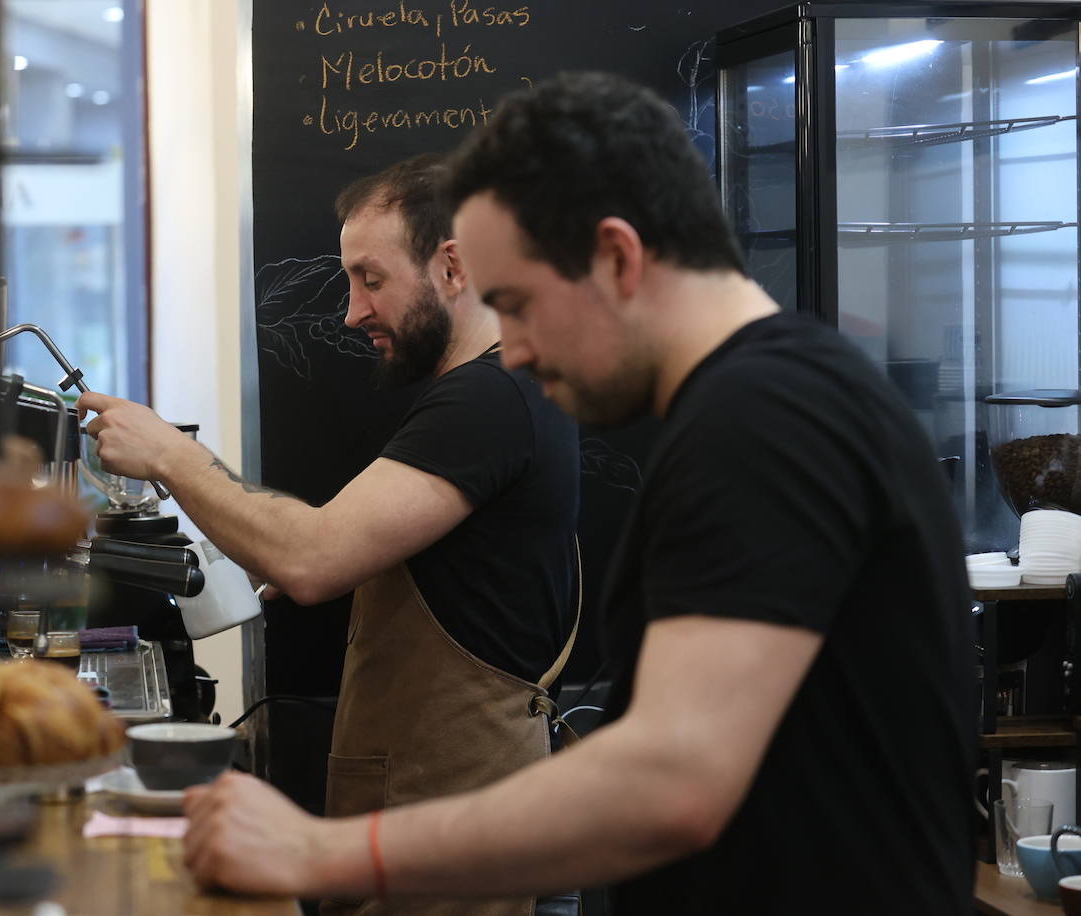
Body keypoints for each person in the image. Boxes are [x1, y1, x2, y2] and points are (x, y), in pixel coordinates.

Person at [179, 73, 975, 915]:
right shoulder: (765, 399)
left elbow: (670, 781)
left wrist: (325, 851)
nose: (515, 352)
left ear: (616, 258)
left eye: (518, 305)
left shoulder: (764, 419)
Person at [79, 154, 581, 915]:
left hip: (453, 833)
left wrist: (170, 456)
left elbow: (311, 557)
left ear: (452, 267)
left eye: (371, 279)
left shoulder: (488, 400)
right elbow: (338, 546)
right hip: (423, 822)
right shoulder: (495, 391)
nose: (351, 312)